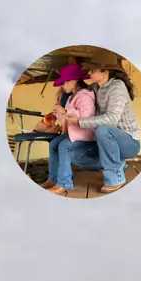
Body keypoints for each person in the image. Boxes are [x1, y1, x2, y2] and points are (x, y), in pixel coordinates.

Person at [65, 60, 141, 193]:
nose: (89, 73)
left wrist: (80, 122)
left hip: (129, 142)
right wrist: (63, 95)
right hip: (107, 143)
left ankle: (115, 179)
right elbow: (79, 91)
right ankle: (119, 164)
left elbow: (112, 118)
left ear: (105, 72)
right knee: (75, 155)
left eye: (93, 70)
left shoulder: (117, 87)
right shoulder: (95, 88)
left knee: (103, 130)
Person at [41, 64, 97, 195]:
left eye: (63, 83)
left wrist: (65, 111)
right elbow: (65, 117)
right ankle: (53, 178)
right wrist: (58, 113)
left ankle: (64, 182)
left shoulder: (85, 96)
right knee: (54, 144)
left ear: (72, 82)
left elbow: (86, 118)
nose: (62, 86)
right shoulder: (72, 97)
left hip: (85, 134)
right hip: (74, 133)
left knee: (64, 146)